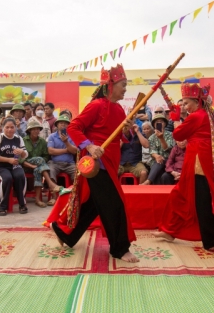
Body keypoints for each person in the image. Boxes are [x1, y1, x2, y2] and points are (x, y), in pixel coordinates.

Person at [48, 64, 139, 263]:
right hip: (96, 163)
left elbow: (123, 138)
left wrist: (127, 130)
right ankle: (120, 248)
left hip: (111, 160)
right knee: (114, 204)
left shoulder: (118, 108)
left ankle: (63, 231)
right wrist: (89, 146)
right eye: (123, 84)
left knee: (95, 204)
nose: (125, 88)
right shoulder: (96, 105)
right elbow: (74, 127)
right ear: (111, 85)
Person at [152, 83, 214, 254]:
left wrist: (175, 118)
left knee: (201, 201)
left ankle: (212, 241)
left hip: (197, 163)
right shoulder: (212, 117)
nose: (185, 107)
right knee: (183, 194)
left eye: (187, 103)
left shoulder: (196, 117)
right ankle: (170, 231)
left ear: (197, 101)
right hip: (202, 162)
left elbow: (178, 134)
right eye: (183, 104)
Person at [0, 117, 29, 216]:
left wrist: (22, 152)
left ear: (15, 128)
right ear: (3, 128)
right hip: (1, 166)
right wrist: (8, 160)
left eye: (12, 127)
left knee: (21, 176)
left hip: (15, 165)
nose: (9, 130)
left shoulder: (18, 138)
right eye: (7, 127)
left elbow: (26, 154)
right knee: (7, 178)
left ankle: (22, 203)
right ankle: (2, 206)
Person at [21, 120, 62, 207]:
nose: (36, 131)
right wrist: (31, 165)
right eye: (33, 129)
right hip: (26, 166)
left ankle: (37, 199)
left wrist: (37, 164)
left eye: (37, 129)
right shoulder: (23, 140)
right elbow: (20, 159)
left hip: (39, 166)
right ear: (29, 130)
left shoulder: (42, 141)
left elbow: (46, 156)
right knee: (39, 160)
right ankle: (51, 184)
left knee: (38, 169)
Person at [142, 113, 175, 185]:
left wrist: (161, 138)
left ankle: (148, 181)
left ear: (165, 124)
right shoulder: (152, 137)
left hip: (169, 160)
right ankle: (150, 183)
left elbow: (169, 149)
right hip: (157, 162)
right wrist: (156, 156)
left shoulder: (171, 135)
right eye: (157, 122)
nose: (159, 123)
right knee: (158, 162)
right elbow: (152, 151)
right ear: (154, 125)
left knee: (161, 161)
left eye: (161, 122)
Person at [47, 114, 78, 186]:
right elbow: (50, 151)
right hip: (55, 163)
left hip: (69, 164)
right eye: (61, 123)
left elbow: (74, 151)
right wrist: (67, 150)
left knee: (77, 174)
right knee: (51, 171)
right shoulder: (52, 136)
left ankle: (74, 195)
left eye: (65, 123)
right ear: (57, 125)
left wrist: (66, 142)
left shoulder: (72, 136)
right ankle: (54, 196)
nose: (63, 125)